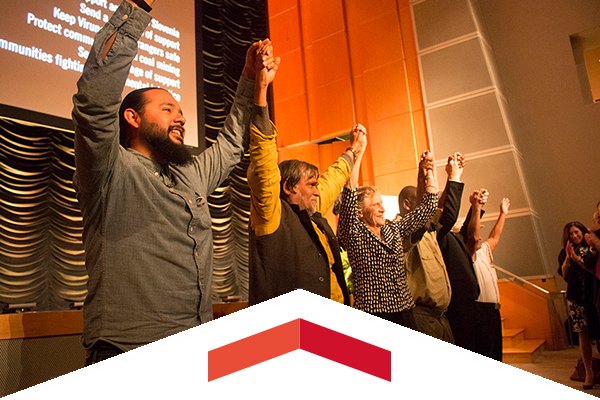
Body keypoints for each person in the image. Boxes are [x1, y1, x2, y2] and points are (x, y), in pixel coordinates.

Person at [72, 0, 274, 364]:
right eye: (167, 110)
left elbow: (230, 145)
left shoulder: (188, 174)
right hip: (127, 353)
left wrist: (248, 78)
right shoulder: (110, 170)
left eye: (181, 112)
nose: (180, 118)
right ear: (132, 117)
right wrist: (137, 7)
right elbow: (93, 100)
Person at [247, 62, 367, 306]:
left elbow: (333, 179)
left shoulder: (311, 214)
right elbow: (264, 166)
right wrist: (261, 95)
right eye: (311, 184)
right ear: (289, 188)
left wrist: (353, 151)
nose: (317, 190)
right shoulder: (272, 214)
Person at [338, 151, 438, 328]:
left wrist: (428, 172)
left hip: (404, 311)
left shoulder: (393, 228)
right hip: (373, 314)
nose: (383, 209)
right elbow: (348, 197)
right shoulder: (354, 231)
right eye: (376, 204)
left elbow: (427, 209)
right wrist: (359, 153)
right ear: (359, 211)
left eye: (381, 203)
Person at [399, 152, 465, 343]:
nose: (431, 206)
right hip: (421, 316)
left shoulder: (430, 230)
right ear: (407, 204)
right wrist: (424, 175)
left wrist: (454, 177)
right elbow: (422, 213)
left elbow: (448, 214)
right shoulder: (399, 229)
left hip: (441, 317)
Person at [466, 190, 509, 361]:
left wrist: (503, 214)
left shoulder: (483, 250)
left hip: (493, 312)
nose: (479, 237)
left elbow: (494, 236)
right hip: (480, 312)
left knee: (496, 356)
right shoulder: (468, 253)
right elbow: (472, 236)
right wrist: (476, 209)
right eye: (477, 233)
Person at [559, 221, 600, 389]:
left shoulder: (593, 248)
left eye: (577, 232)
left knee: (598, 333)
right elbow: (564, 274)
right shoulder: (565, 252)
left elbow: (592, 269)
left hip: (594, 297)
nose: (574, 236)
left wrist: (579, 260)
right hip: (576, 299)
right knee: (583, 336)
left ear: (583, 232)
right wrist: (569, 259)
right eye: (571, 234)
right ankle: (589, 373)